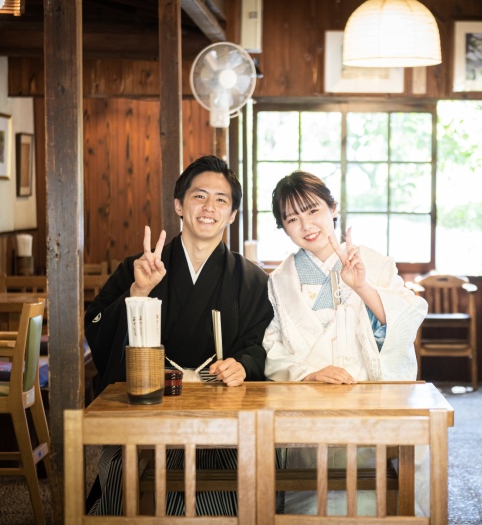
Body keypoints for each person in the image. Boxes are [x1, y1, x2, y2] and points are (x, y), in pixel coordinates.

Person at [84, 155, 274, 515]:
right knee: (122, 472)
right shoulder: (138, 268)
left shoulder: (250, 279)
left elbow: (263, 341)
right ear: (179, 206)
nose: (209, 207)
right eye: (199, 196)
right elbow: (96, 328)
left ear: (232, 214)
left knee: (230, 487)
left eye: (221, 200)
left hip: (220, 416)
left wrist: (244, 365)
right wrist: (137, 294)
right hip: (150, 408)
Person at [261, 171, 428, 515]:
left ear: (332, 208)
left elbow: (407, 321)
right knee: (310, 499)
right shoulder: (280, 280)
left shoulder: (375, 263)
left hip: (369, 407)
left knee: (373, 499)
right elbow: (273, 347)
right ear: (283, 226)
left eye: (312, 210)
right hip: (310, 411)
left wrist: (363, 287)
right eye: (292, 218)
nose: (306, 224)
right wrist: (309, 373)